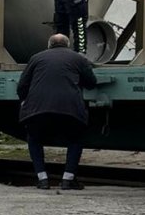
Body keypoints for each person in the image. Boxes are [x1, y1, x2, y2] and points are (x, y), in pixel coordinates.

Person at [16, 33, 98, 191]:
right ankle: (68, 179)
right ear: (68, 45)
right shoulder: (78, 58)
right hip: (70, 109)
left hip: (37, 109)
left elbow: (22, 86)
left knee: (34, 138)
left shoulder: (36, 58)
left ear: (49, 45)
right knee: (75, 138)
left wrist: (24, 101)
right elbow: (91, 83)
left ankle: (42, 179)